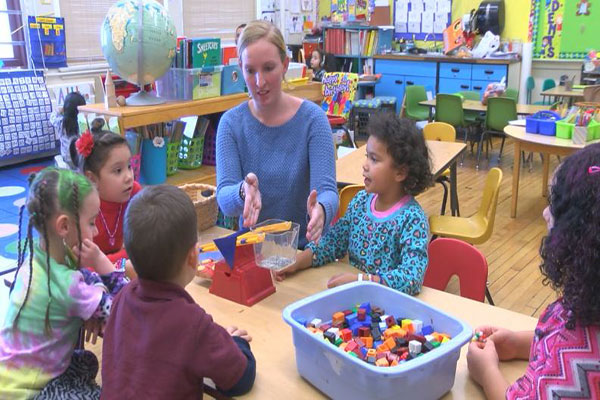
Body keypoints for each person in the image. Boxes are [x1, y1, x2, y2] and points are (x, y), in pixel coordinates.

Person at [467, 143, 600, 400]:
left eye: (555, 203)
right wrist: (518, 343)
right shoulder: (589, 299)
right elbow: (558, 333)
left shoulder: (579, 357)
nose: (544, 212)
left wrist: (487, 373)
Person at [101, 185, 256, 398]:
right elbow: (239, 379)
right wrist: (235, 343)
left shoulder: (122, 298)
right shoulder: (192, 323)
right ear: (193, 257)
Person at [0, 167, 128, 399]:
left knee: (85, 362)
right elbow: (125, 310)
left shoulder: (35, 259)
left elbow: (87, 279)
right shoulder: (68, 286)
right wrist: (102, 264)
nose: (97, 230)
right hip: (30, 393)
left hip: (8, 378)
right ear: (64, 227)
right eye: (91, 222)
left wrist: (93, 300)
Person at [276, 114, 432, 295]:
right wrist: (299, 260)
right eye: (367, 156)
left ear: (400, 172)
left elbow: (411, 278)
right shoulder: (360, 202)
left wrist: (362, 281)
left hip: (388, 310)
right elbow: (333, 242)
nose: (365, 165)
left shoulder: (412, 219)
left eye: (374, 159)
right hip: (356, 302)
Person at [217, 20, 338, 248]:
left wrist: (321, 209)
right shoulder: (231, 124)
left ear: (285, 64)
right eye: (250, 71)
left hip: (306, 254)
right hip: (255, 255)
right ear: (240, 68)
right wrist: (243, 191)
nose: (259, 82)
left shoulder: (313, 120)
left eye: (269, 68)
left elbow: (328, 191)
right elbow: (224, 198)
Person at [77, 119, 141, 270]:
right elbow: (82, 265)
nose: (129, 177)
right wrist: (124, 256)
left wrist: (103, 262)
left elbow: (144, 248)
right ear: (92, 178)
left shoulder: (135, 194)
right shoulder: (81, 207)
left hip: (119, 268)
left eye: (129, 166)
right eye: (118, 170)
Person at [50, 92, 86, 170]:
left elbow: (52, 118)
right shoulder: (83, 123)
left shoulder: (61, 122)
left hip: (67, 160)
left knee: (58, 158)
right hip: (81, 161)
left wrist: (58, 111)